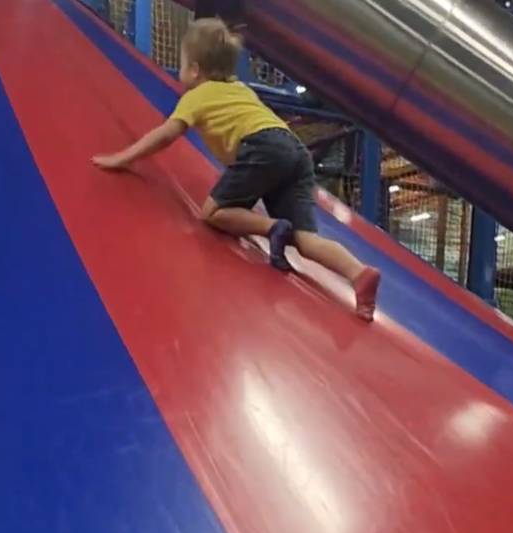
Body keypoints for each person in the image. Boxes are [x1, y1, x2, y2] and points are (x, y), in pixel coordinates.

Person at [92, 17, 381, 320]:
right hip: (295, 150)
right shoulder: (240, 89)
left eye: (182, 63)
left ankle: (271, 228)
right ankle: (359, 273)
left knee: (212, 213)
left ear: (194, 70)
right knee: (305, 239)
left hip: (262, 147)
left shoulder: (196, 96)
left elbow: (166, 134)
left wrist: (122, 158)